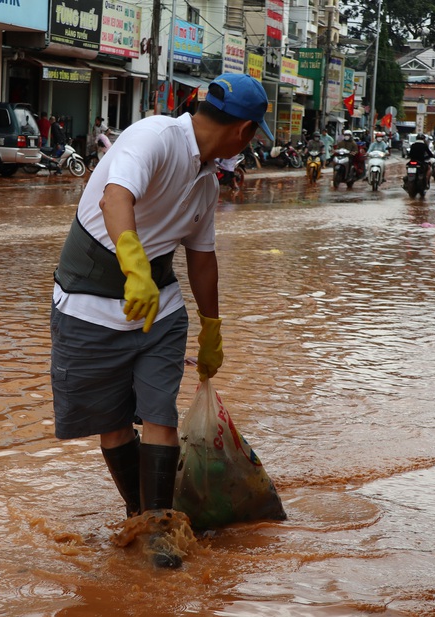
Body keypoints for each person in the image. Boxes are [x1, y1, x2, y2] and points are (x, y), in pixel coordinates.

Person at [49, 73, 271, 569]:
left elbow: (202, 258)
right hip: (90, 299)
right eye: (255, 136)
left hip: (160, 305)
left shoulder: (206, 184)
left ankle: (160, 531)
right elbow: (114, 197)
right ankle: (140, 516)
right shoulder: (154, 136)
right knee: (111, 424)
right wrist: (132, 267)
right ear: (244, 131)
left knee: (159, 416)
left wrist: (212, 327)